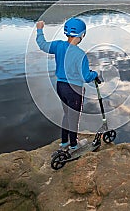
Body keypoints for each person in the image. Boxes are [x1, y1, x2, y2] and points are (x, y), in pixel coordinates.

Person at [36, 18, 98, 151]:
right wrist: (95, 74)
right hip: (74, 90)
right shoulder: (81, 55)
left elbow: (42, 44)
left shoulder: (58, 46)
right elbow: (86, 77)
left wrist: (40, 29)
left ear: (66, 32)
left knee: (66, 114)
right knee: (74, 118)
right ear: (82, 35)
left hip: (60, 87)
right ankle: (74, 145)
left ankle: (64, 142)